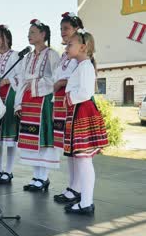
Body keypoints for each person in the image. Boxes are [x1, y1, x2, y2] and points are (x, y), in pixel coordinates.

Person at [63, 29, 108, 215]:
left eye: (70, 44)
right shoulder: (81, 66)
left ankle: (86, 202)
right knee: (81, 159)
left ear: (83, 47)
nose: (66, 47)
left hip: (82, 112)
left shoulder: (86, 67)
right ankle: (84, 200)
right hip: (78, 112)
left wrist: (69, 98)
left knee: (84, 159)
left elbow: (86, 92)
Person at [14, 19, 60, 192]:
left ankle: (44, 177)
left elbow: (55, 78)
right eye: (29, 32)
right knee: (31, 139)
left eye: (33, 32)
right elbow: (21, 81)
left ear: (43, 34)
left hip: (43, 101)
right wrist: (18, 104)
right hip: (28, 101)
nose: (29, 35)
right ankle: (36, 176)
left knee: (42, 138)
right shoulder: (28, 57)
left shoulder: (52, 54)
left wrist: (37, 83)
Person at [52, 12, 85, 204]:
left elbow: (79, 76)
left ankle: (78, 188)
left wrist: (62, 82)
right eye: (61, 29)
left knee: (77, 149)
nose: (63, 32)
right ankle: (72, 186)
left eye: (66, 28)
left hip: (75, 103)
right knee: (69, 149)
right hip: (62, 102)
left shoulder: (81, 54)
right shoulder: (65, 55)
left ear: (76, 30)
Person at [0, 24, 21, 184]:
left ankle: (8, 170)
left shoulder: (15, 55)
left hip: (10, 93)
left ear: (7, 38)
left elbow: (21, 76)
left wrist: (8, 80)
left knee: (9, 135)